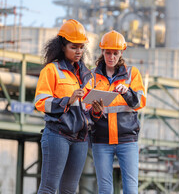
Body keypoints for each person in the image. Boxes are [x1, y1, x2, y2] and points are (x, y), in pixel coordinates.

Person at [34, 19, 103, 194]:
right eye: (74, 47)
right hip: (58, 135)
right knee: (49, 188)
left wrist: (96, 111)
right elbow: (41, 102)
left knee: (70, 190)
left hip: (80, 138)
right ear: (62, 46)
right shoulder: (51, 70)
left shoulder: (88, 75)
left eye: (81, 47)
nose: (79, 51)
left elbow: (86, 109)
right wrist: (67, 100)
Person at [90, 30, 146, 194]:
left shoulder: (131, 74)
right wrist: (95, 111)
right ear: (102, 52)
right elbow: (86, 108)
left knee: (131, 189)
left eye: (115, 53)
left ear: (121, 53)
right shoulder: (92, 76)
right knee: (105, 189)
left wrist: (127, 92)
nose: (111, 57)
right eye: (108, 52)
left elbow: (140, 102)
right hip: (101, 139)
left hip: (127, 140)